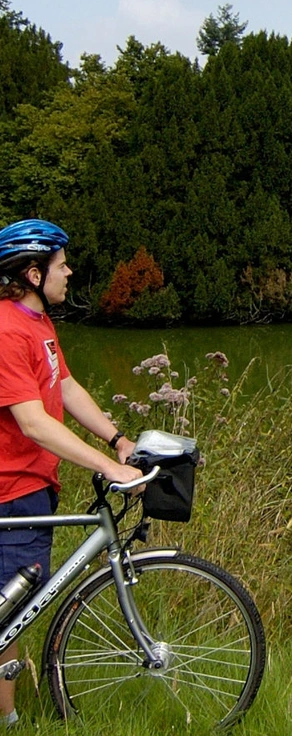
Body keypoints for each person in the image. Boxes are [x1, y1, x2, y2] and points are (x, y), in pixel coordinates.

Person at [0, 220, 144, 727]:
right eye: (62, 264)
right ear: (35, 274)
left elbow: (64, 388)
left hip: (32, 486)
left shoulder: (37, 324)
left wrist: (117, 440)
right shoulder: (6, 329)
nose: (70, 271)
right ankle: (9, 720)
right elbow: (33, 422)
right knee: (11, 614)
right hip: (11, 489)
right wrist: (107, 467)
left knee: (12, 607)